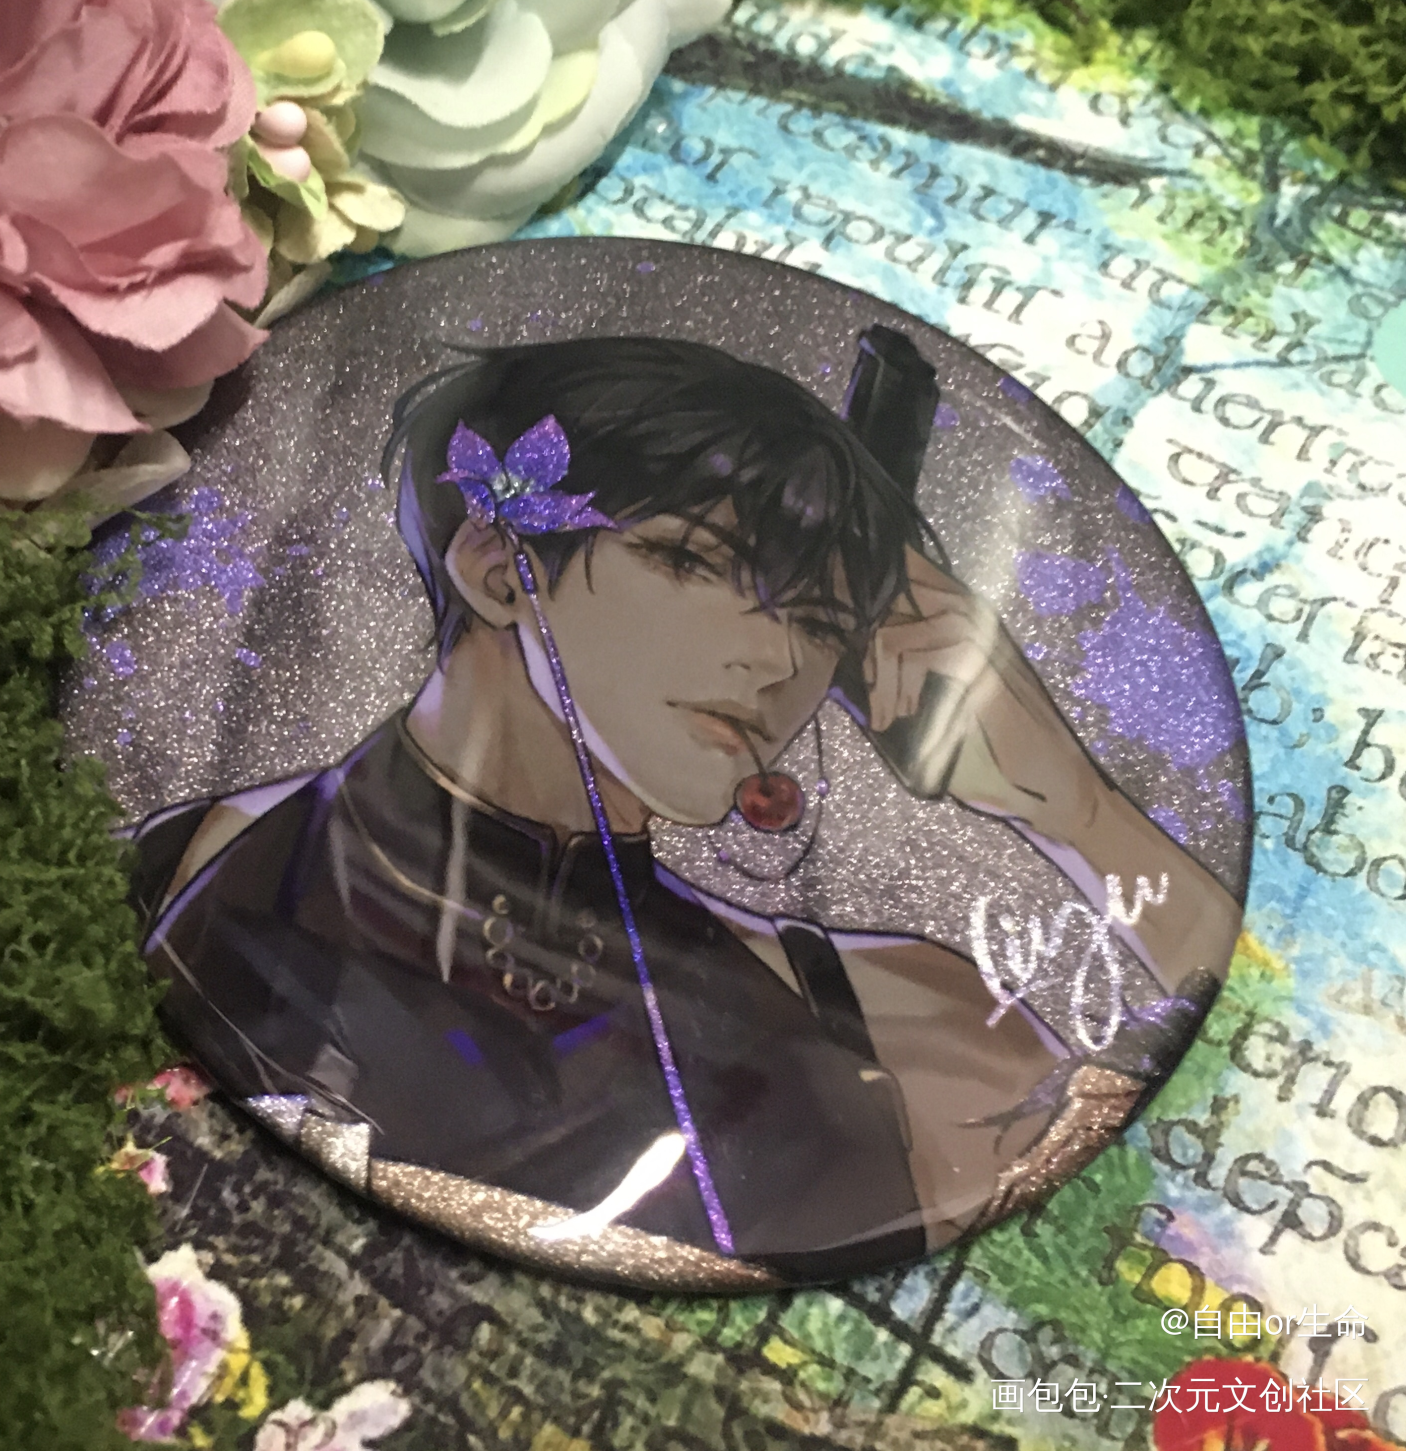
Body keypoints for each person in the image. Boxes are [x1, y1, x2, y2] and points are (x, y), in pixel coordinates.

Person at [129, 337, 1238, 1289]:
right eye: (698, 562)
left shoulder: (902, 1015)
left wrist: (1075, 809)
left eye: (821, 620)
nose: (777, 660)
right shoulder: (193, 869)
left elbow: (1192, 1147)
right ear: (500, 566)